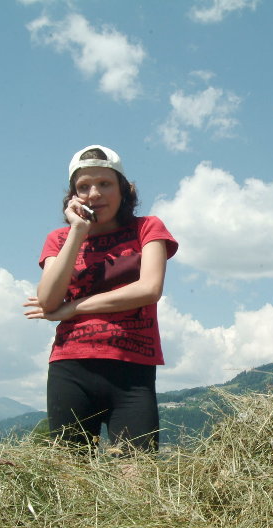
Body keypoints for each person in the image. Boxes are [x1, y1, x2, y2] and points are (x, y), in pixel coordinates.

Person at [24, 145, 179, 451]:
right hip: (71, 368)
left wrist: (74, 308)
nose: (94, 193)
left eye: (105, 184)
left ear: (124, 189)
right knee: (71, 477)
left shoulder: (147, 228)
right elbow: (48, 300)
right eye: (84, 187)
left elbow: (149, 289)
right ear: (72, 196)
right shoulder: (59, 238)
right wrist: (78, 231)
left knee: (138, 476)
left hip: (132, 370)